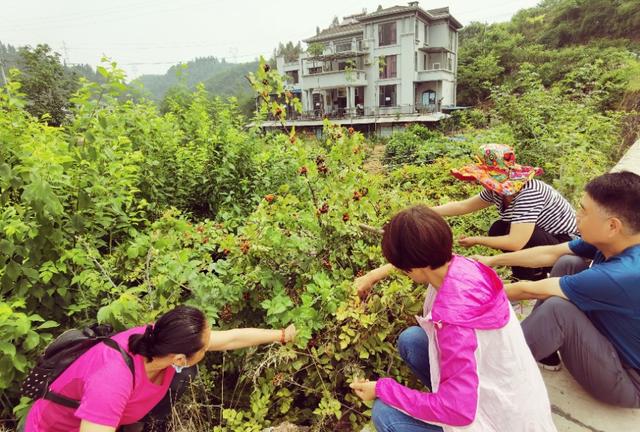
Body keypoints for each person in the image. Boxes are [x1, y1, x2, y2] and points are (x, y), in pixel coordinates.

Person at [350, 205, 556, 432]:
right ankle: (447, 393)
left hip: (492, 422)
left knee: (385, 414)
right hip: (519, 407)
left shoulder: (454, 324)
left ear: (413, 268)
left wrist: (382, 389)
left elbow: (458, 412)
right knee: (412, 340)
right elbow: (418, 259)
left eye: (403, 269)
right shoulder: (465, 267)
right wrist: (374, 275)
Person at [473, 171, 640, 407]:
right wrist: (491, 261)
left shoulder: (624, 274)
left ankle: (485, 374)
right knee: (569, 263)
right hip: (613, 341)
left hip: (629, 381)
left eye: (583, 210)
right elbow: (550, 253)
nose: (576, 215)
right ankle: (546, 351)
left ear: (612, 226)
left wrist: (471, 292)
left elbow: (530, 290)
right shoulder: (621, 240)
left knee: (558, 310)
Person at [24, 305, 297, 432]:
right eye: (204, 346)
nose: (211, 343)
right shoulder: (112, 380)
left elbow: (231, 338)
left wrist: (280, 335)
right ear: (180, 358)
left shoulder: (161, 342)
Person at [435, 144, 576, 281]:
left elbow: (516, 242)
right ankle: (529, 275)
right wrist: (429, 211)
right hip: (545, 239)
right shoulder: (497, 191)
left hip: (566, 243)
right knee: (499, 228)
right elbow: (463, 206)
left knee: (515, 231)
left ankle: (531, 276)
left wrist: (477, 240)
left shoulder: (529, 192)